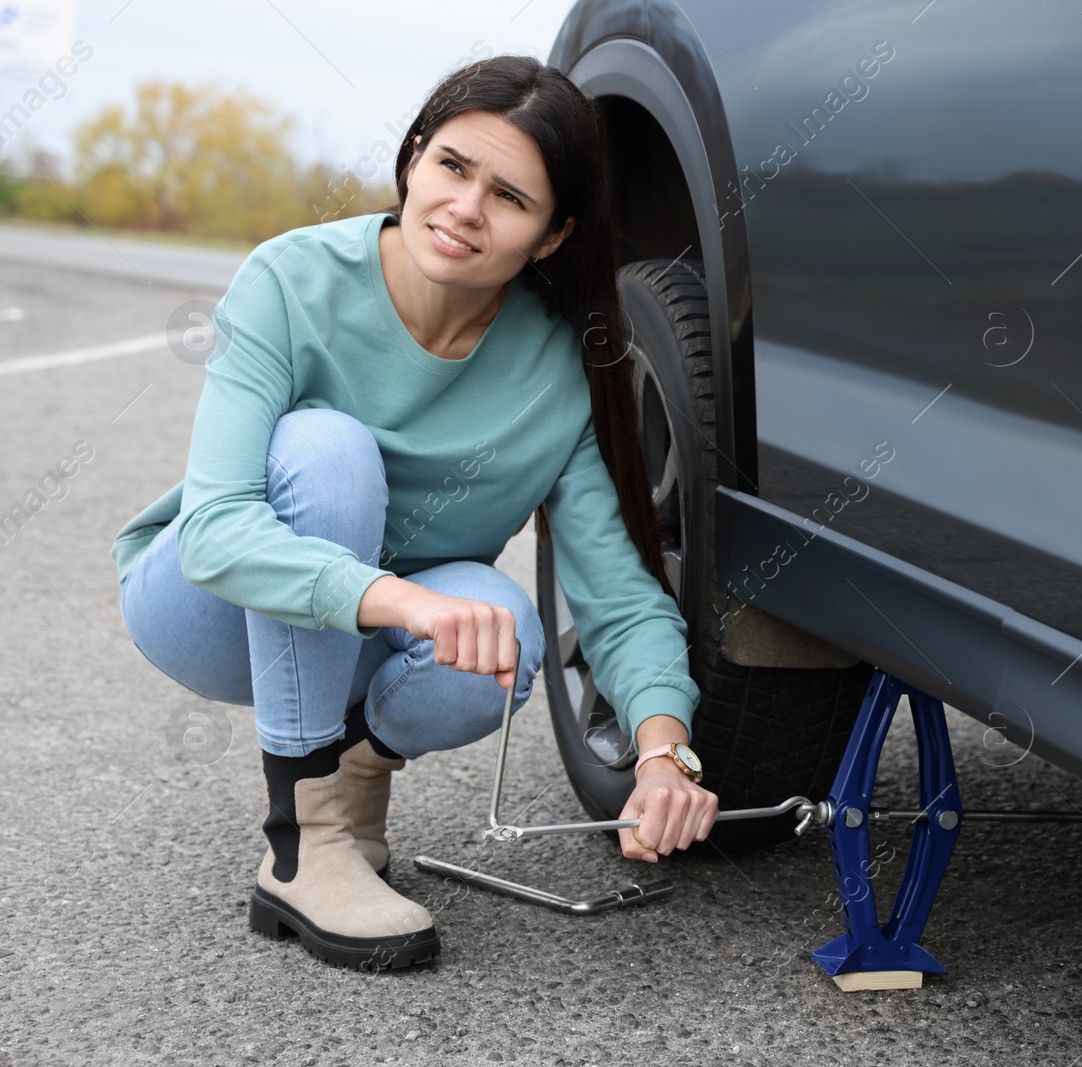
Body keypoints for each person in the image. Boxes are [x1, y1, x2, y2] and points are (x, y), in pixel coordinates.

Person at [110, 55, 718, 970]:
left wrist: (666, 752)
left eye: (510, 198)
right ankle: (300, 838)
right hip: (208, 609)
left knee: (504, 626)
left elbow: (618, 593)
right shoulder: (290, 279)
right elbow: (219, 531)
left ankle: (356, 780)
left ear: (552, 236)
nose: (466, 208)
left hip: (360, 636)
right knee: (329, 451)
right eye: (452, 167)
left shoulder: (564, 366)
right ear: (412, 162)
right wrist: (406, 602)